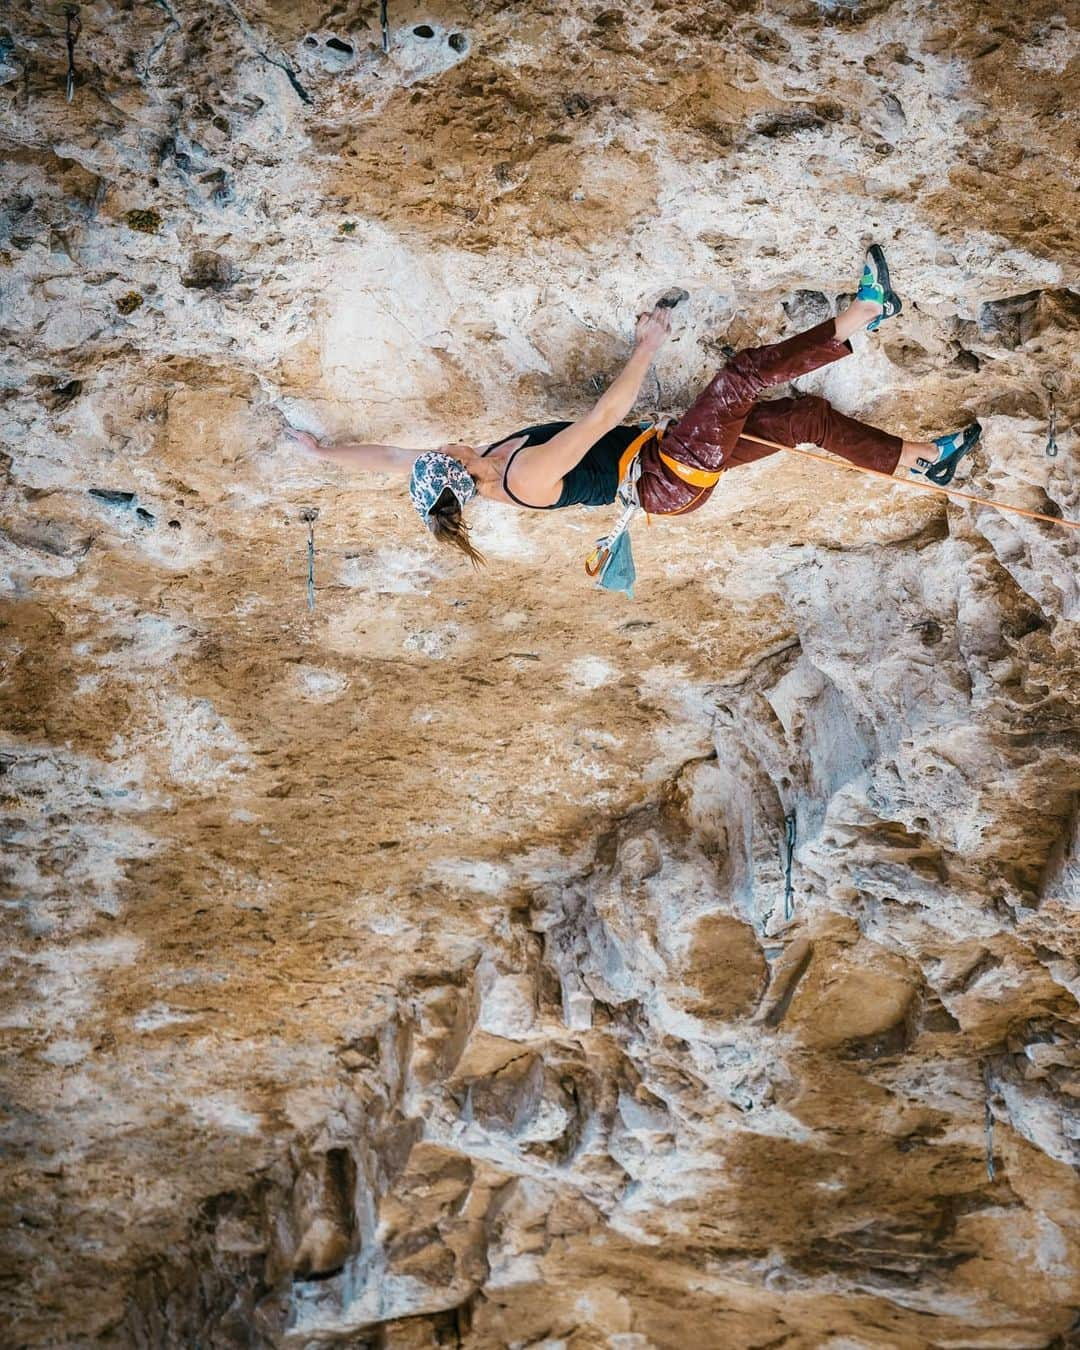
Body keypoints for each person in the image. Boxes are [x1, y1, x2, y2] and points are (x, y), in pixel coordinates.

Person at [285, 246, 981, 568]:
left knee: (802, 420)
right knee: (739, 378)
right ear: (459, 472)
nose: (445, 444)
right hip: (668, 475)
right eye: (445, 454)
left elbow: (384, 458)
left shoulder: (465, 474)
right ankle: (866, 312)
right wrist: (647, 346)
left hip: (662, 469)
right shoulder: (521, 476)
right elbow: (597, 423)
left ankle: (925, 463)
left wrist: (321, 454)